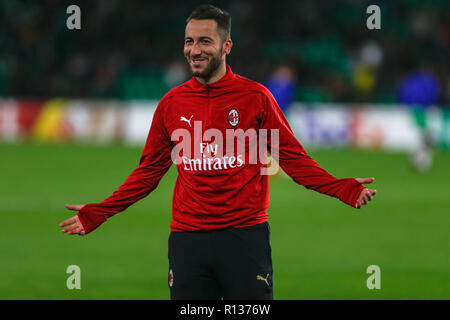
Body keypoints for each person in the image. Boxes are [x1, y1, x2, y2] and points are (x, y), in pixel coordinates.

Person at [59, 4, 376, 300]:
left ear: (227, 47)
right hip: (188, 240)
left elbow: (294, 159)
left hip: (245, 238)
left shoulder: (256, 98)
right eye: (189, 41)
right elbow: (147, 174)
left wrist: (342, 188)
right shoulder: (171, 105)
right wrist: (100, 212)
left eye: (205, 41)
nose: (194, 50)